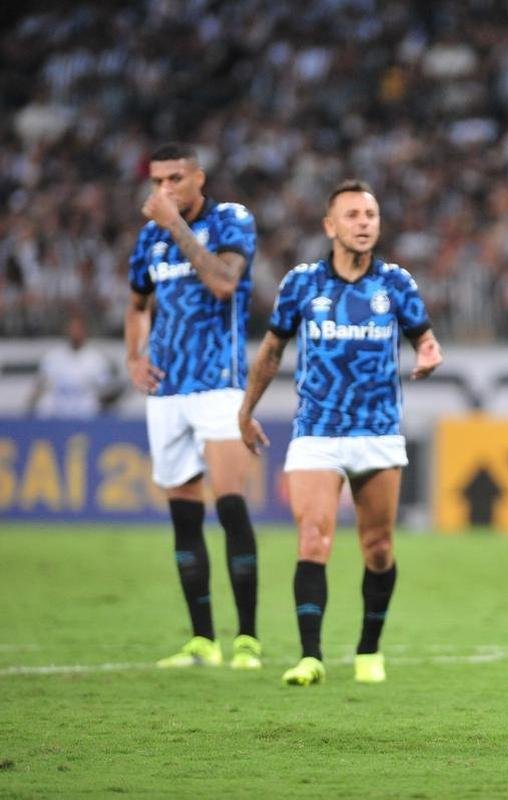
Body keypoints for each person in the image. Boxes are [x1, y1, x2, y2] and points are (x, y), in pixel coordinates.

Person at [238, 180, 443, 687]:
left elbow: (426, 338)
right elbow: (271, 350)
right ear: (330, 226)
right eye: (351, 214)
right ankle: (311, 655)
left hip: (377, 432)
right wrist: (246, 410)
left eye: (370, 214)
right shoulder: (303, 284)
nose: (363, 222)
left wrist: (428, 354)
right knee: (313, 539)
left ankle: (368, 649)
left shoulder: (396, 284)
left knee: (378, 547)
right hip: (317, 431)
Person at [125, 143, 262, 670]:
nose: (164, 191)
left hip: (220, 387)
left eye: (174, 179)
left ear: (198, 179)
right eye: (157, 181)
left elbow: (224, 283)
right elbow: (136, 305)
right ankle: (202, 641)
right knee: (185, 518)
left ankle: (247, 638)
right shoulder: (148, 239)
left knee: (229, 505)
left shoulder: (230, 220)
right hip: (166, 390)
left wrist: (174, 226)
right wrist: (133, 356)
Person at [27, 311, 122, 418]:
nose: (75, 332)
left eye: (78, 328)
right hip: (59, 409)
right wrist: (30, 405)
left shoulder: (96, 359)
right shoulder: (53, 357)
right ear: (66, 330)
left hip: (85, 411)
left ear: (85, 331)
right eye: (72, 328)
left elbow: (107, 389)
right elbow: (40, 384)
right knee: (44, 404)